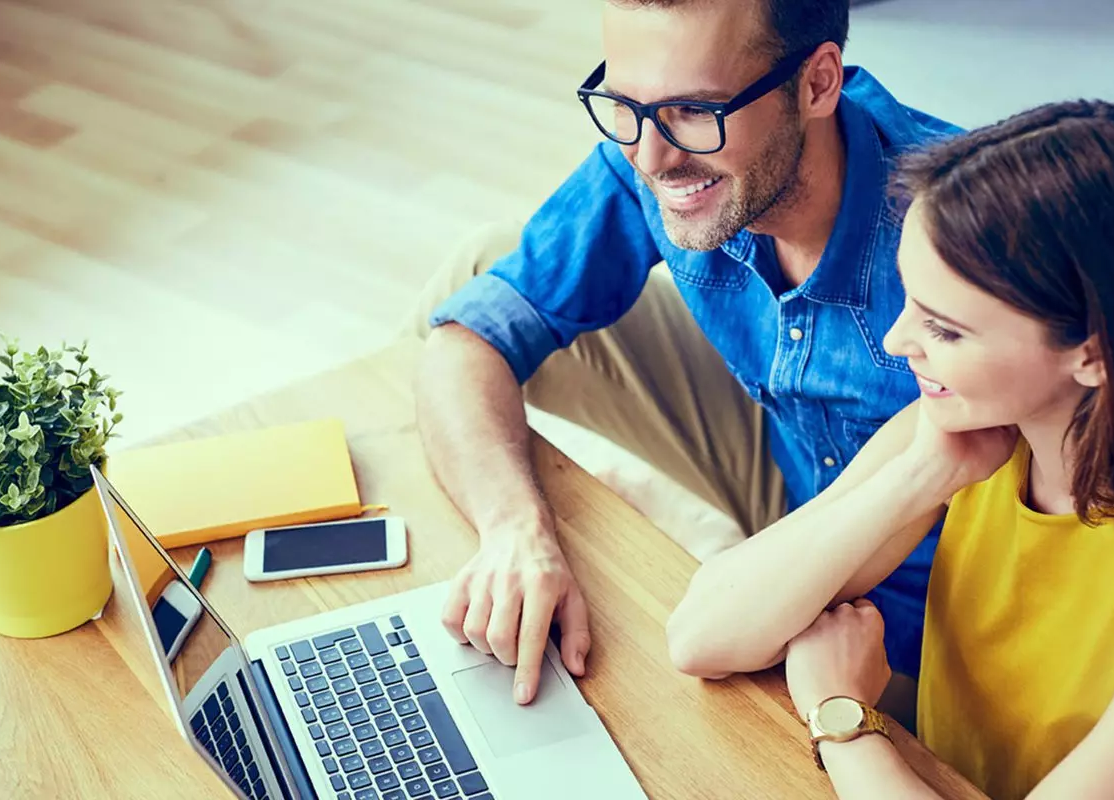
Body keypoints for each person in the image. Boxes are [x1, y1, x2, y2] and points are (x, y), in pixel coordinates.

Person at [410, 0, 962, 706]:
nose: (650, 157)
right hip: (792, 473)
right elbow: (473, 335)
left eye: (696, 112)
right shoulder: (654, 152)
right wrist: (513, 530)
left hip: (931, 614)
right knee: (478, 266)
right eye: (625, 104)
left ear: (819, 84)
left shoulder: (962, 233)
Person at [770, 100, 1114, 798]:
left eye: (945, 329)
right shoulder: (974, 429)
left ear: (1093, 353)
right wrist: (917, 474)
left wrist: (839, 715)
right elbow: (702, 635)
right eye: (910, 302)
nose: (895, 342)